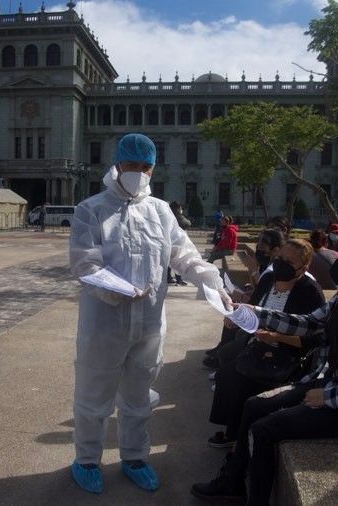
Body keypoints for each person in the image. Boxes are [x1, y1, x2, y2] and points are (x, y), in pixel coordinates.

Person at [191, 228, 338, 505]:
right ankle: (232, 482)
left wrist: (328, 397)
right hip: (328, 385)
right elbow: (307, 323)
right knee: (254, 406)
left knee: (264, 429)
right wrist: (254, 312)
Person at [69, 133, 230, 494]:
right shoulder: (91, 209)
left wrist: (212, 284)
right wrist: (120, 290)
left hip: (149, 326)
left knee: (139, 397)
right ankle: (86, 460)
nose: (139, 173)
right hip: (104, 325)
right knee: (94, 396)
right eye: (132, 165)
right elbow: (86, 264)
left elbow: (184, 255)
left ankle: (135, 456)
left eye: (146, 167)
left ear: (153, 168)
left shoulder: (160, 212)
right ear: (117, 164)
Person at [207, 239, 325, 448]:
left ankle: (235, 434)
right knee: (226, 370)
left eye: (289, 261)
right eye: (280, 258)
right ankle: (231, 426)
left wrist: (276, 337)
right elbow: (254, 308)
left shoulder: (310, 291)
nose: (281, 263)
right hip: (258, 345)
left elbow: (313, 338)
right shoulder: (269, 278)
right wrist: (236, 317)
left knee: (242, 378)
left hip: (287, 354)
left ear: (303, 268)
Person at [204, 229, 285, 370]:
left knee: (233, 313)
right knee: (233, 312)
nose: (258, 249)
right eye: (257, 245)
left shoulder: (274, 270)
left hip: (266, 319)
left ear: (277, 250)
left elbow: (258, 301)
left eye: (262, 246)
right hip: (261, 310)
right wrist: (251, 273)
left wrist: (243, 293)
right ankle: (222, 350)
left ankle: (224, 357)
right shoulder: (269, 266)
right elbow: (259, 291)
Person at [167, 201, 191, 286]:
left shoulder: (167, 215)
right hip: (178, 242)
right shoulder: (177, 216)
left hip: (168, 241)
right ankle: (179, 280)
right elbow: (187, 223)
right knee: (178, 261)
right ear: (178, 208)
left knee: (169, 261)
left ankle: (168, 277)